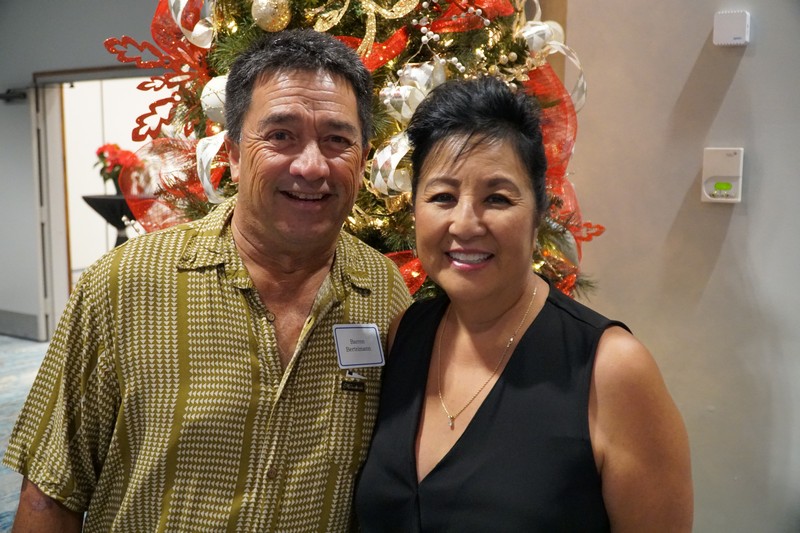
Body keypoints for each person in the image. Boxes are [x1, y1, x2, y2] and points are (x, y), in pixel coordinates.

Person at [3, 28, 411, 532]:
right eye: (280, 135)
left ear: (363, 160)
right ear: (233, 155)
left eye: (337, 140)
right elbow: (50, 496)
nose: (311, 166)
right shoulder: (125, 284)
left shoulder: (384, 292)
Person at [355, 76, 693, 531]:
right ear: (415, 210)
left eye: (497, 198)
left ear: (538, 215)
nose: (465, 224)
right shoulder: (406, 333)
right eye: (442, 197)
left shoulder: (611, 368)